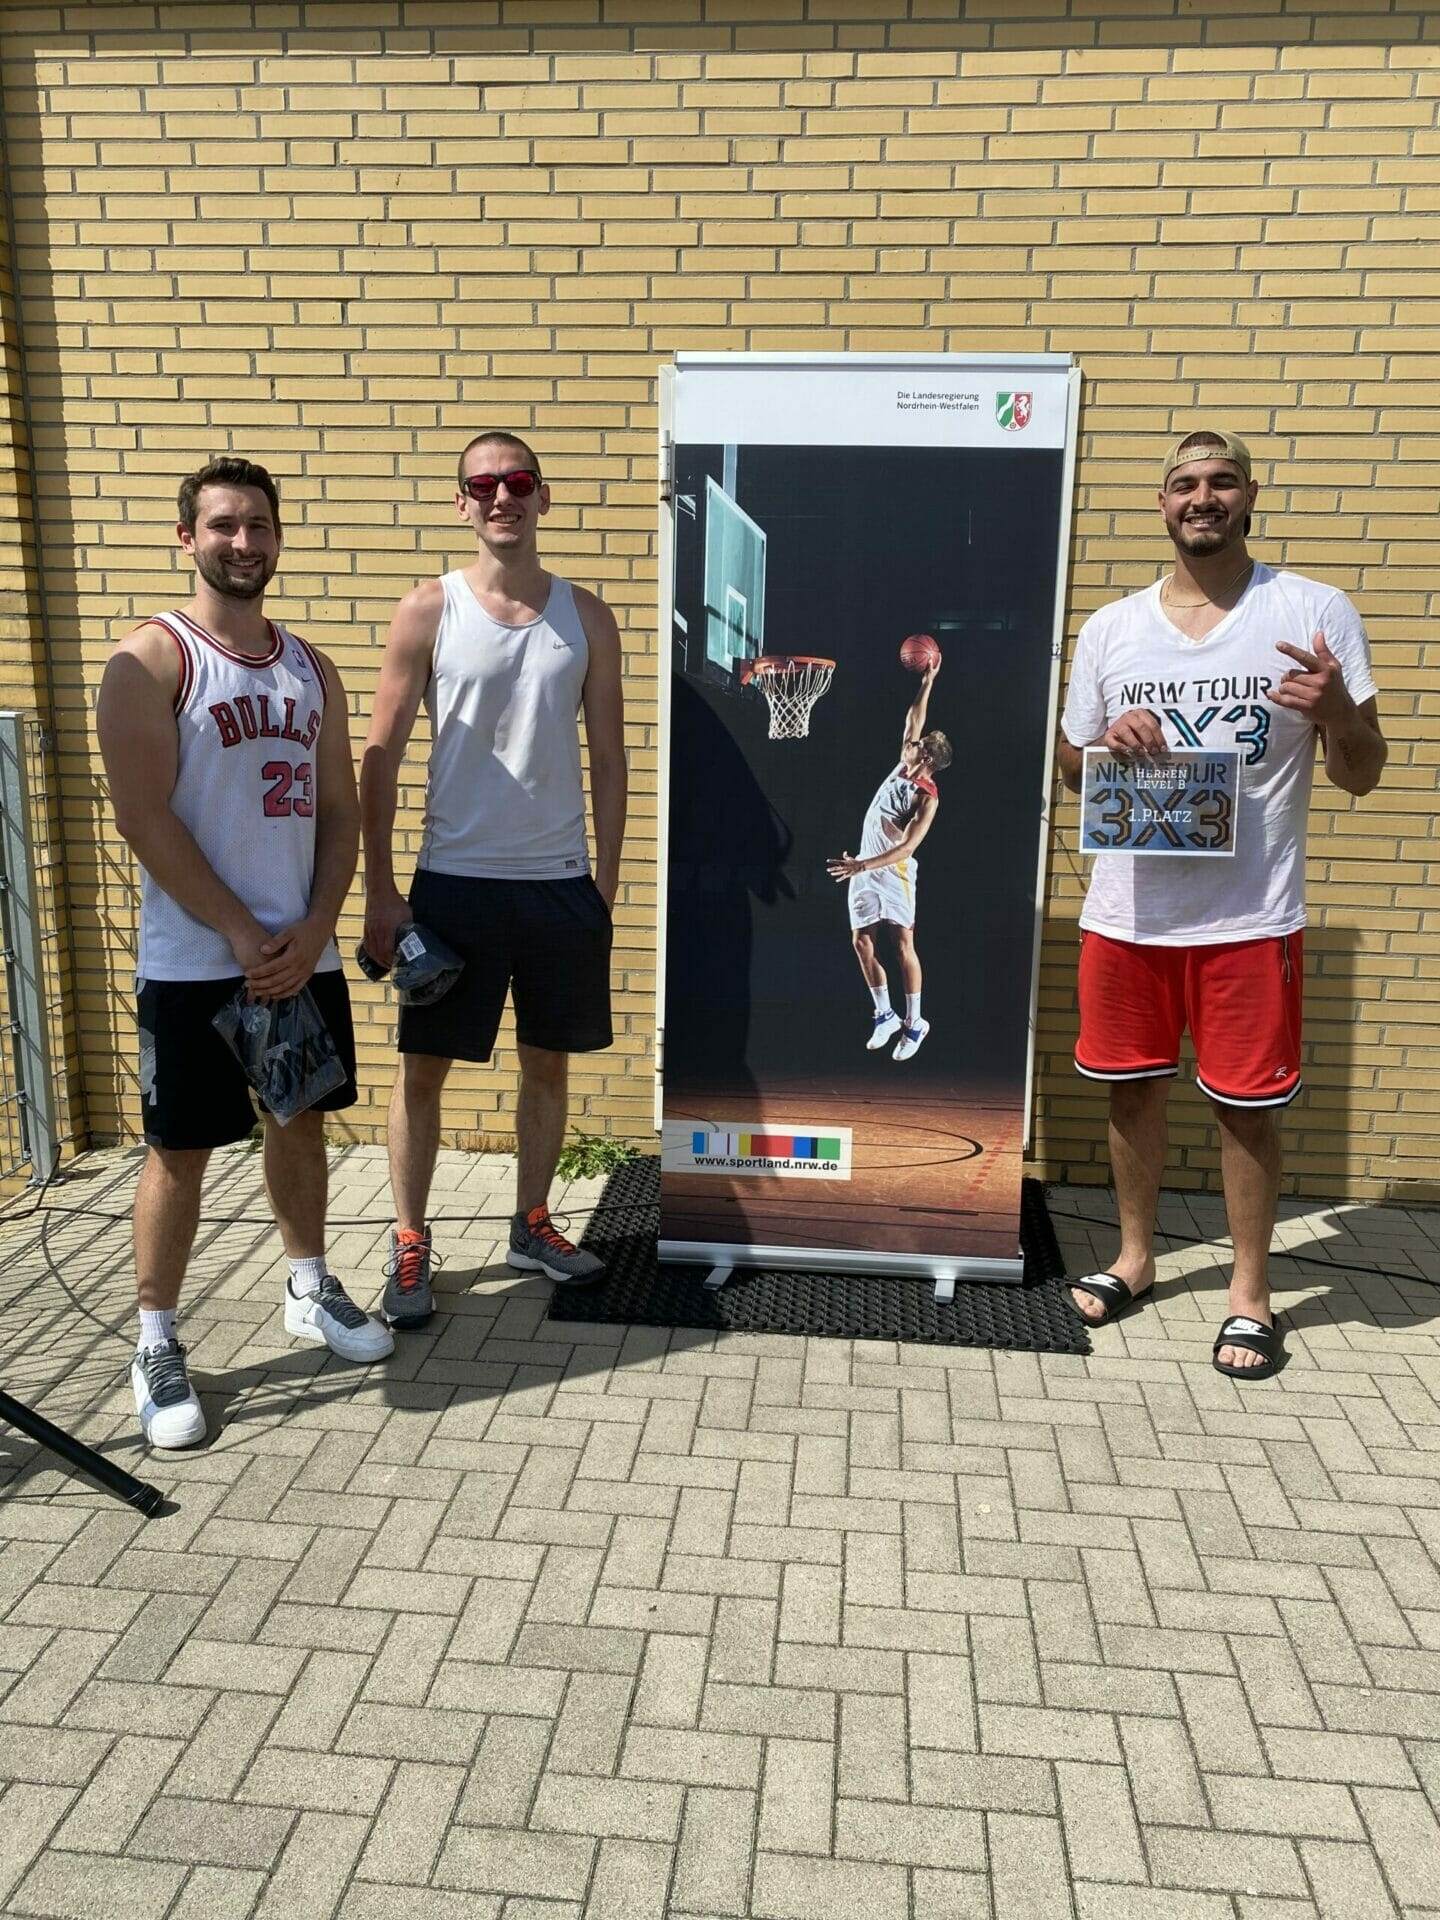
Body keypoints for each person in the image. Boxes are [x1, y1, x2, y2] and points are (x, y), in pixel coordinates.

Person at [1057, 429, 1386, 1378]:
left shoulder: (1312, 610)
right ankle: (1135, 1258)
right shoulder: (1112, 628)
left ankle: (1249, 1293)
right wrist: (1106, 742)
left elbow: (1363, 772)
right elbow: (1073, 767)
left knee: (1247, 1111)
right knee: (1131, 1092)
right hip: (1127, 916)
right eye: (1185, 484)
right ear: (1162, 504)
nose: (1203, 497)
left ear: (1249, 496)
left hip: (1250, 918)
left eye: (1222, 481)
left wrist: (1336, 712)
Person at [97, 457, 393, 1451]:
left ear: (277, 537)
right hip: (196, 959)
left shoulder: (311, 668)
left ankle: (308, 1286)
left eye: (258, 525)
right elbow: (142, 816)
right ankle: (155, 1340)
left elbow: (340, 813)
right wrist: (235, 929)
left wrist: (315, 927)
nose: (243, 542)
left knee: (299, 1122)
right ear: (187, 537)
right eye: (223, 525)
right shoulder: (151, 660)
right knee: (179, 1152)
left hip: (295, 954)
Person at [360, 430, 627, 1321]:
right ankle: (409, 1239)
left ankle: (532, 1222)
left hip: (558, 884)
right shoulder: (427, 610)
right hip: (454, 883)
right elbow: (379, 757)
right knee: (422, 1072)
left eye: (517, 482)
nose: (501, 497)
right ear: (461, 502)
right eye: (483, 485)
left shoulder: (587, 617)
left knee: (546, 1064)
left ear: (542, 496)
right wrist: (381, 891)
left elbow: (610, 758)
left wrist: (604, 885)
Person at [827, 658, 951, 1062]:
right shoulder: (902, 764)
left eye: (920, 745)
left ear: (928, 759)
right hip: (864, 865)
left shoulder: (927, 797)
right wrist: (927, 682)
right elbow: (914, 718)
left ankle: (915, 1022)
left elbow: (908, 848)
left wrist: (863, 865)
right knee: (861, 941)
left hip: (893, 871)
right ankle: (885, 1014)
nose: (912, 743)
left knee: (902, 945)